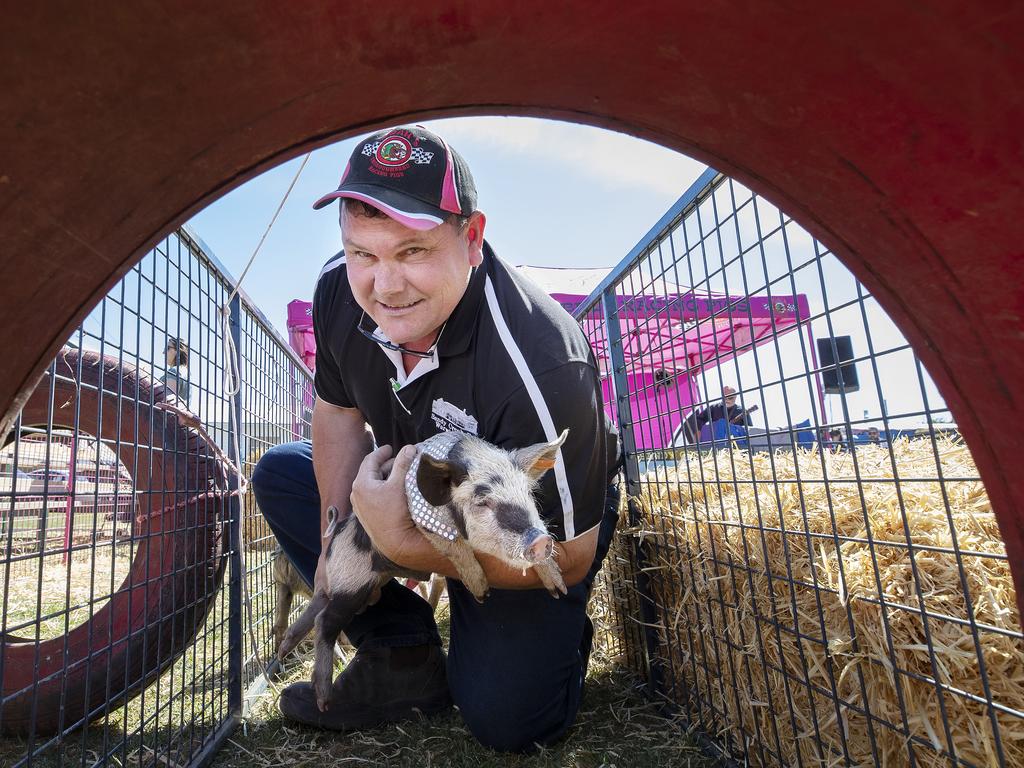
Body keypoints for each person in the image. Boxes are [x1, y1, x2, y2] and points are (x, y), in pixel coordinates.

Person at [251, 125, 618, 752]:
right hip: (417, 494)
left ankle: (551, 640)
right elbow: (336, 410)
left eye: (413, 251)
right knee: (282, 473)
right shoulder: (339, 293)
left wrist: (402, 543)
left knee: (511, 722)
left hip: (528, 533)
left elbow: (566, 556)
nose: (384, 287)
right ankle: (401, 654)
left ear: (471, 239)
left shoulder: (542, 364)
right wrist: (337, 534)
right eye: (363, 253)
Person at [681, 385, 752, 443]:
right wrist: (698, 431)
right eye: (724, 397)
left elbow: (749, 430)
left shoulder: (742, 411)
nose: (727, 400)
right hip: (716, 443)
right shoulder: (714, 408)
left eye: (730, 397)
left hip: (737, 444)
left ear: (735, 397)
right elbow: (699, 419)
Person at [160, 337, 191, 404]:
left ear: (178, 351)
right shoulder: (186, 373)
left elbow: (166, 402)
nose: (163, 352)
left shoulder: (174, 371)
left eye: (167, 348)